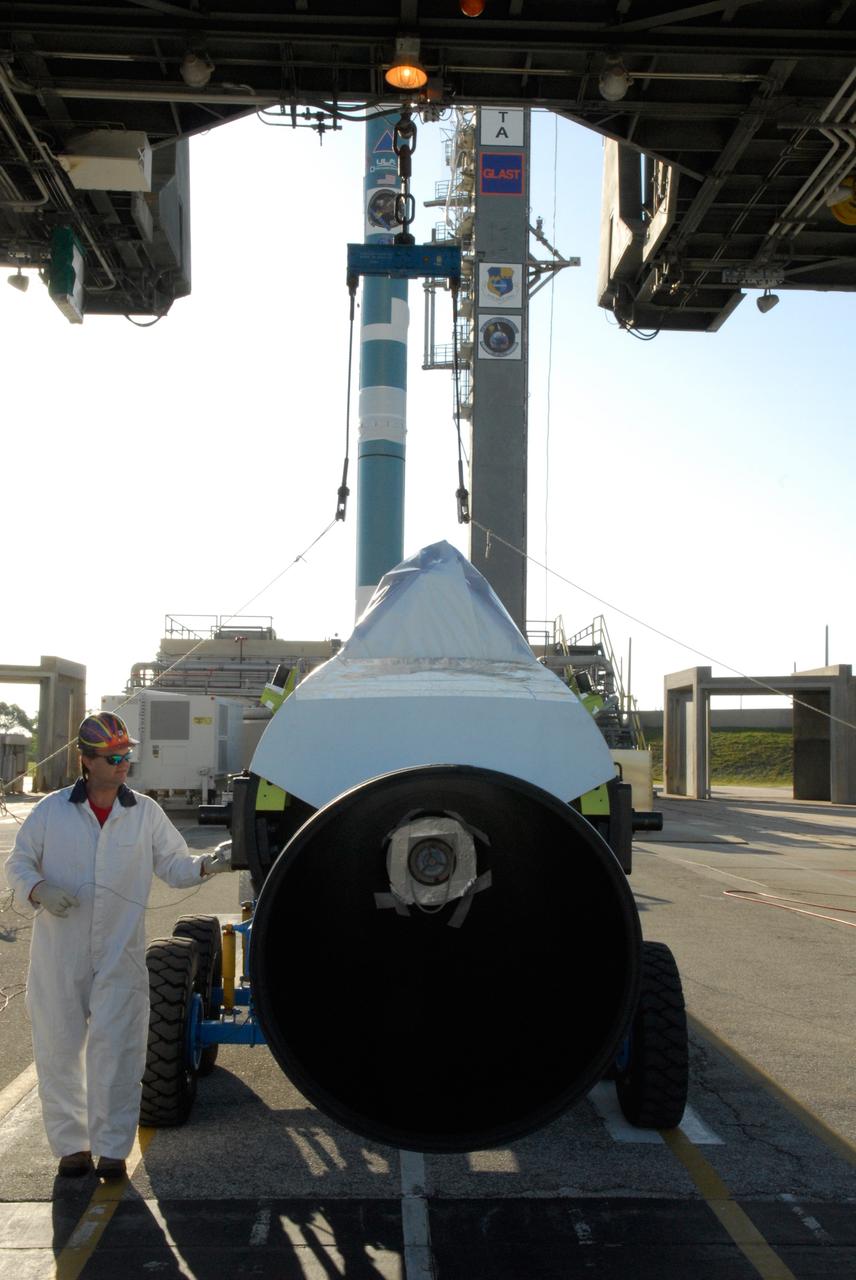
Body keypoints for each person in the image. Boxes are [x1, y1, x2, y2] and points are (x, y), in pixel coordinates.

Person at [4, 711, 231, 1181]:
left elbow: (174, 866)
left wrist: (210, 864)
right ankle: (71, 1148)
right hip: (58, 954)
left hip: (119, 955)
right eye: (114, 756)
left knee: (119, 1051)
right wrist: (39, 889)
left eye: (128, 754)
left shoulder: (144, 812)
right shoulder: (51, 811)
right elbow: (19, 863)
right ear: (86, 761)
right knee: (60, 1051)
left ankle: (111, 1151)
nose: (124, 762)